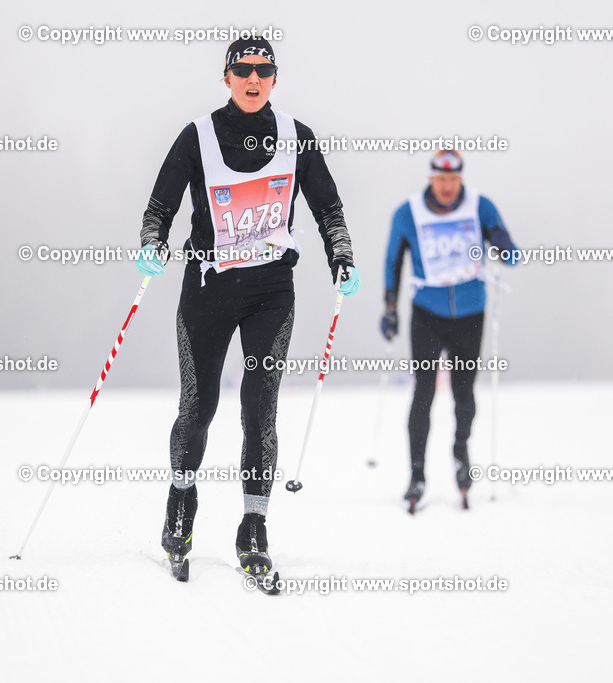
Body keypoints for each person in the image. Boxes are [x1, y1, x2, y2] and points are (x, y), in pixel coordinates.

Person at [137, 36, 359, 579]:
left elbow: (327, 205)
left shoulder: (295, 137)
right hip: (208, 291)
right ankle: (181, 504)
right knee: (199, 405)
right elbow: (161, 202)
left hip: (270, 293)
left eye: (263, 70)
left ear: (275, 79)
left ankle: (253, 525)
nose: (253, 79)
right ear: (228, 78)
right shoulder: (199, 135)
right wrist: (152, 240)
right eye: (243, 71)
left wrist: (342, 256)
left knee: (260, 408)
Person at [381, 149, 517, 510]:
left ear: (461, 179)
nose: (446, 187)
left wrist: (503, 244)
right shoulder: (408, 212)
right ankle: (417, 473)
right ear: (431, 179)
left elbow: (512, 254)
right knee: (422, 393)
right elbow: (393, 260)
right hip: (427, 311)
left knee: (464, 393)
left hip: (471, 313)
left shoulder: (479, 206)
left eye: (453, 180)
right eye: (440, 180)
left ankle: (460, 452)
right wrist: (390, 307)